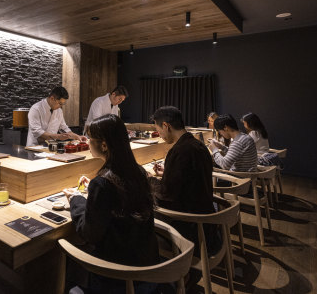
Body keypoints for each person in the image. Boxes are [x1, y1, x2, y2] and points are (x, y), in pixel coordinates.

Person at [63, 114, 159, 294]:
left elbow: (88, 233)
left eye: (90, 138)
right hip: (149, 271)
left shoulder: (103, 183)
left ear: (104, 145)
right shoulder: (137, 171)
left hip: (119, 278)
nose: (88, 142)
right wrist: (93, 189)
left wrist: (76, 199)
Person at [150, 106, 221, 259]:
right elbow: (189, 178)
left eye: (159, 130)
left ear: (166, 126)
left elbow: (166, 194)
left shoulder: (179, 151)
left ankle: (159, 262)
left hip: (190, 225)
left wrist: (148, 179)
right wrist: (167, 173)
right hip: (206, 219)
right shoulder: (198, 145)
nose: (160, 135)